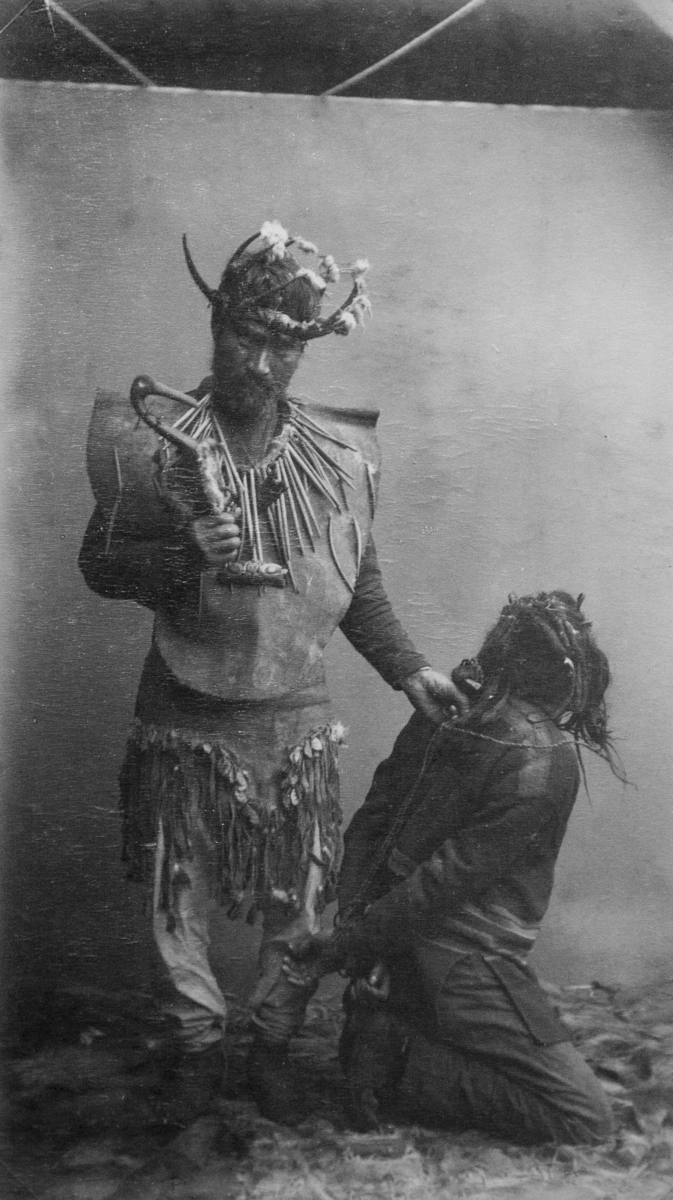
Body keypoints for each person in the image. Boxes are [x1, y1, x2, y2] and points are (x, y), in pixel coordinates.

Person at [78, 220, 465, 1125]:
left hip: (295, 711)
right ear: (215, 328)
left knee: (303, 891)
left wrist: (409, 668)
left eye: (283, 349)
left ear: (305, 352)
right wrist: (185, 551)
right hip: (183, 708)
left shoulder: (340, 457)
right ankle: (196, 1049)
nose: (259, 364)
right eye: (244, 338)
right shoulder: (150, 439)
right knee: (177, 890)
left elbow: (355, 582)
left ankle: (271, 1045)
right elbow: (100, 566)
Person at [285, 591, 619, 1144]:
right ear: (568, 673)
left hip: (394, 946)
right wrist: (350, 947)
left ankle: (387, 1024)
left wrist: (354, 933)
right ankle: (398, 1058)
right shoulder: (545, 756)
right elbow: (441, 884)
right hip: (458, 966)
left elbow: (373, 821)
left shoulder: (445, 713)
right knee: (586, 1120)